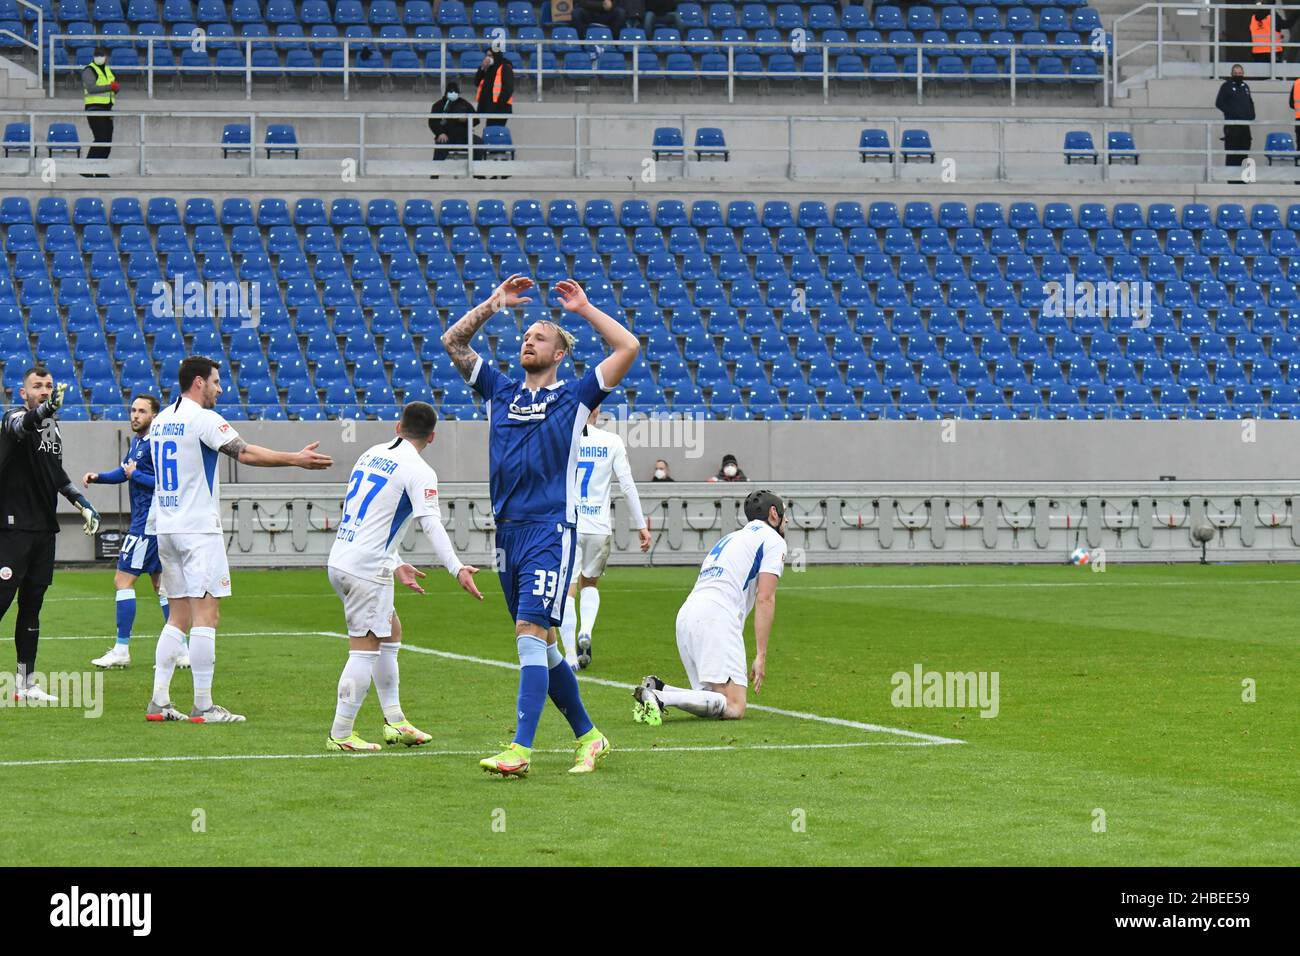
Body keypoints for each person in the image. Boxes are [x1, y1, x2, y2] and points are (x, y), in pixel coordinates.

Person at [441, 275, 640, 776]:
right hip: (506, 533)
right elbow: (453, 341)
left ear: (558, 355)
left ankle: (520, 749)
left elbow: (628, 346)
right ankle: (590, 737)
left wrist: (586, 309)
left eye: (540, 337)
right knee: (543, 646)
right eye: (525, 334)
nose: (528, 340)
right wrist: (492, 304)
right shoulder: (499, 391)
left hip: (550, 530)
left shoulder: (573, 398)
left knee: (530, 632)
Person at [144, 356, 332, 724]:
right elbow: (243, 452)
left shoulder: (161, 419)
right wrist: (294, 459)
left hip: (167, 527)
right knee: (206, 615)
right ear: (198, 382)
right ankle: (203, 706)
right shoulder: (204, 418)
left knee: (178, 616)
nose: (220, 388)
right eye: (215, 381)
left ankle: (160, 701)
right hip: (198, 529)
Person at [325, 402, 483, 752]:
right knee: (365, 646)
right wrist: (456, 568)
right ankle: (341, 733)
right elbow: (430, 523)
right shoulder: (420, 469)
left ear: (398, 427)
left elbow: (371, 516)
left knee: (391, 630)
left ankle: (395, 721)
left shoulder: (371, 453)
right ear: (432, 436)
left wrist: (396, 562)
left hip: (341, 558)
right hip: (366, 568)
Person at [632, 490, 787, 723]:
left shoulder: (731, 537)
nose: (787, 520)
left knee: (713, 699)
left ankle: (658, 688)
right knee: (735, 706)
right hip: (716, 617)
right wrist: (761, 655)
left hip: (687, 614)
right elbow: (765, 598)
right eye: (785, 514)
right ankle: (659, 696)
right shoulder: (774, 540)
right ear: (773, 513)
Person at [0, 368, 101, 703]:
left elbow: (55, 473)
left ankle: (24, 685)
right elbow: (21, 425)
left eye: (47, 386)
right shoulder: (13, 417)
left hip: (44, 529)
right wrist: (44, 410)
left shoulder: (51, 429)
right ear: (22, 392)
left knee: (32, 606)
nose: (44, 391)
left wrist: (82, 502)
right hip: (12, 528)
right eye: (36, 387)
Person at [83, 394, 181, 671]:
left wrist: (135, 475)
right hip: (152, 524)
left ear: (154, 415)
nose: (135, 415)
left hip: (147, 525)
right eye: (133, 410)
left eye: (141, 411)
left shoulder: (156, 444)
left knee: (122, 582)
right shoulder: (138, 442)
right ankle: (180, 650)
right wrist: (100, 477)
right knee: (162, 586)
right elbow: (125, 471)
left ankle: (121, 649)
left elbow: (165, 482)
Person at [558, 408, 652, 670]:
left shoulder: (564, 438)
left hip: (570, 523)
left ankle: (569, 655)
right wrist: (641, 525)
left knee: (568, 589)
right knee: (591, 583)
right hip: (599, 527)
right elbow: (627, 484)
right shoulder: (612, 442)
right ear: (597, 411)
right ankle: (585, 630)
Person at [82, 46, 119, 178]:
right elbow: (91, 88)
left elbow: (113, 86)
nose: (100, 57)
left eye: (102, 55)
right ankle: (86, 168)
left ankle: (100, 169)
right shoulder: (89, 70)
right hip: (94, 109)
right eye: (98, 55)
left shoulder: (108, 70)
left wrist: (115, 88)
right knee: (101, 138)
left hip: (107, 109)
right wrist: (111, 86)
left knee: (107, 141)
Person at [429, 81, 479, 163]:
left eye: (456, 92)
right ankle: (435, 173)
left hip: (464, 136)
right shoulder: (438, 105)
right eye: (451, 92)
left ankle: (477, 171)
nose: (454, 93)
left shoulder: (465, 104)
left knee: (479, 143)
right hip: (446, 136)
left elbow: (476, 120)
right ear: (446, 93)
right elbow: (433, 122)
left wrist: (466, 120)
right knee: (441, 147)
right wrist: (440, 133)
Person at [1216, 64, 1256, 169]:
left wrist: (1252, 114)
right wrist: (1232, 113)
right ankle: (1232, 180)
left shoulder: (1245, 87)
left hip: (1245, 126)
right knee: (1232, 154)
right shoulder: (1226, 86)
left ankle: (1243, 180)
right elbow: (1219, 103)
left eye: (1240, 73)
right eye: (1235, 73)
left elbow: (1250, 102)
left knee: (1244, 154)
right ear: (1232, 74)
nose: (1238, 75)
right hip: (1232, 126)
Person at [474, 48, 513, 128]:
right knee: (490, 128)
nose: (488, 58)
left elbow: (508, 88)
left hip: (501, 108)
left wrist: (499, 104)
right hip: (489, 107)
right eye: (487, 55)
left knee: (495, 129)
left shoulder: (505, 67)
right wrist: (482, 68)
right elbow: (476, 82)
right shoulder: (487, 68)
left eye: (490, 55)